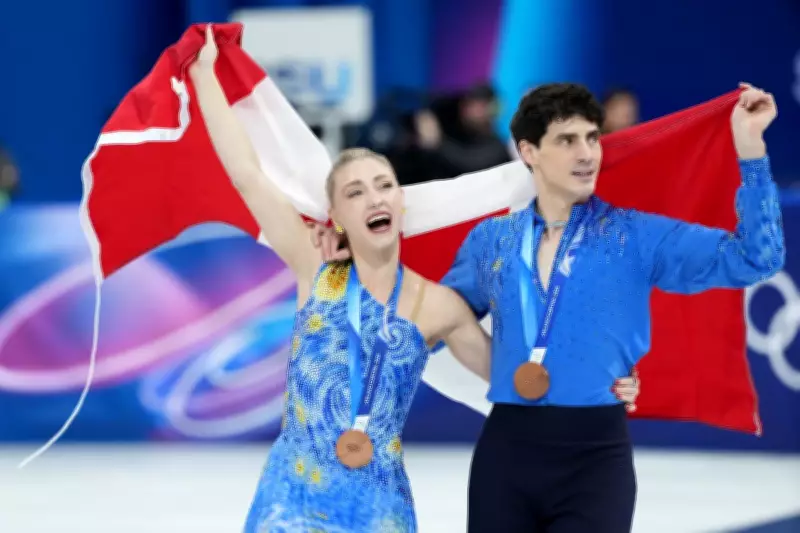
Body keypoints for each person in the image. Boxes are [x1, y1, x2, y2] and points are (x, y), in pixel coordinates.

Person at [189, 28, 640, 532]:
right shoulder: (314, 268)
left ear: (402, 203)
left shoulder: (439, 306)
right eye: (356, 193)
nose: (375, 198)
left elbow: (519, 379)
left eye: (384, 186)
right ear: (335, 214)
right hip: (290, 501)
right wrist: (204, 73)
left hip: (380, 508)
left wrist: (605, 381)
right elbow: (247, 173)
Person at [315, 81, 783, 532]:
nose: (586, 153)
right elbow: (427, 329)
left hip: (595, 461)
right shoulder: (491, 241)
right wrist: (357, 266)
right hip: (507, 457)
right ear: (529, 153)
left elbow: (755, 258)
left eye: (592, 138)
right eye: (566, 140)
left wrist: (751, 153)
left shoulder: (636, 237)